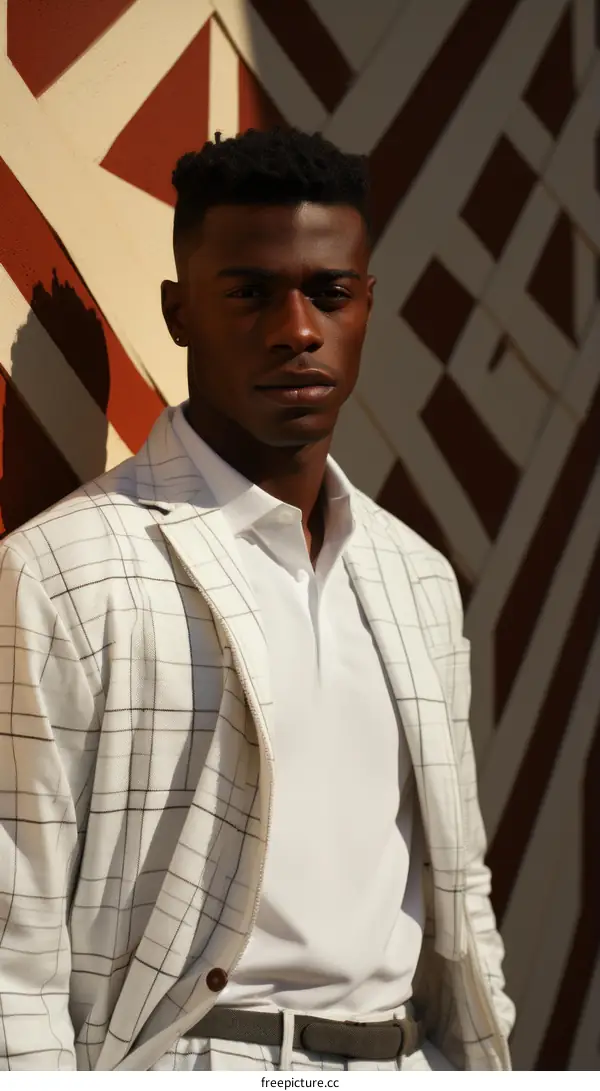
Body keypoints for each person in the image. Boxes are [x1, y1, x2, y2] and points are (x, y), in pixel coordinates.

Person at [0, 127, 514, 1072]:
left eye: (329, 292)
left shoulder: (416, 578)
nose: (297, 329)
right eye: (250, 292)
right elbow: (11, 930)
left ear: (365, 305)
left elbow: (458, 879)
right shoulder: (61, 571)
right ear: (179, 310)